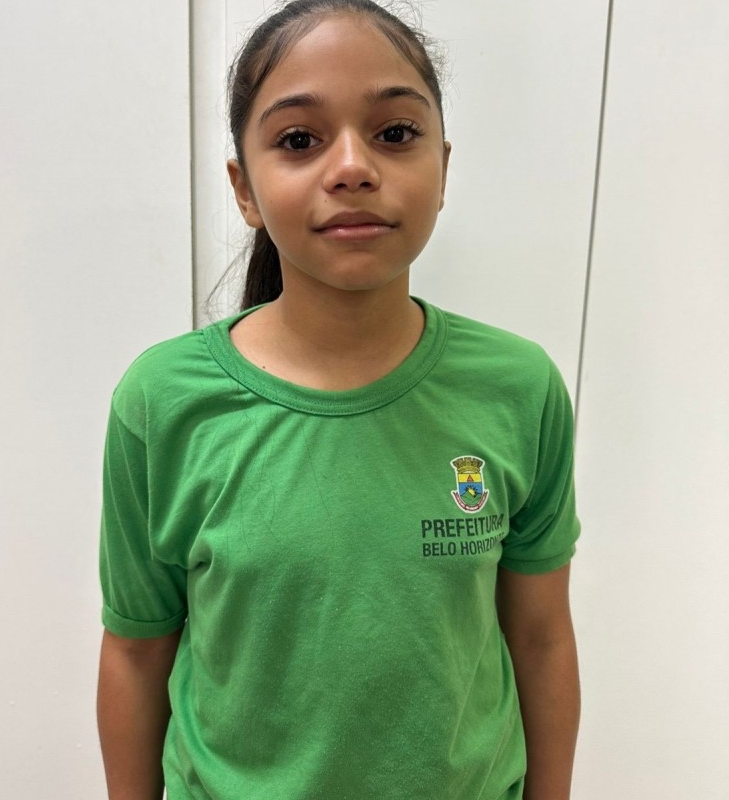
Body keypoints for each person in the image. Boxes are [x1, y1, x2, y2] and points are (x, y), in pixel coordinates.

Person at [96, 1, 581, 798]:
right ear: (245, 190)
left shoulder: (520, 389)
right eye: (299, 140)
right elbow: (135, 651)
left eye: (394, 132)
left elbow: (540, 636)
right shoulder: (163, 402)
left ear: (443, 168)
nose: (352, 167)